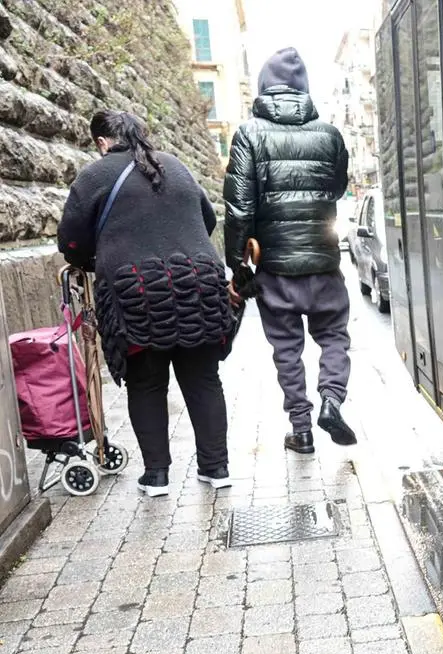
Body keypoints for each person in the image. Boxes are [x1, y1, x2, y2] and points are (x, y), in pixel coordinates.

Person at [57, 111, 234, 498]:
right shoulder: (175, 165)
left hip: (136, 294)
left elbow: (70, 240)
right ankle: (216, 467)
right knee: (203, 379)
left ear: (103, 142)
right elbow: (206, 221)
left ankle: (157, 476)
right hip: (198, 288)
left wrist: (97, 258)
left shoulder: (95, 175)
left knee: (147, 382)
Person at [224, 47, 355, 455]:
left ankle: (301, 430)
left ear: (265, 88)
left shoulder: (249, 133)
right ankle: (332, 399)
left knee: (287, 350)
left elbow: (239, 207)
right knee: (333, 335)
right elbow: (336, 188)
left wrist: (236, 264)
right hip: (323, 261)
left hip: (275, 267)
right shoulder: (329, 134)